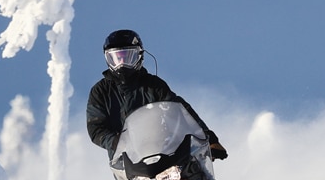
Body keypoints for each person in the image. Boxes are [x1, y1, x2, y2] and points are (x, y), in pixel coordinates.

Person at [85, 29, 228, 161]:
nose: (122, 64)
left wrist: (207, 138)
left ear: (139, 56)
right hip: (127, 162)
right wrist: (117, 141)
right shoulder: (101, 91)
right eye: (116, 58)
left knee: (195, 175)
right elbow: (96, 127)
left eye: (128, 57)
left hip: (165, 154)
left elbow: (180, 111)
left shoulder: (153, 85)